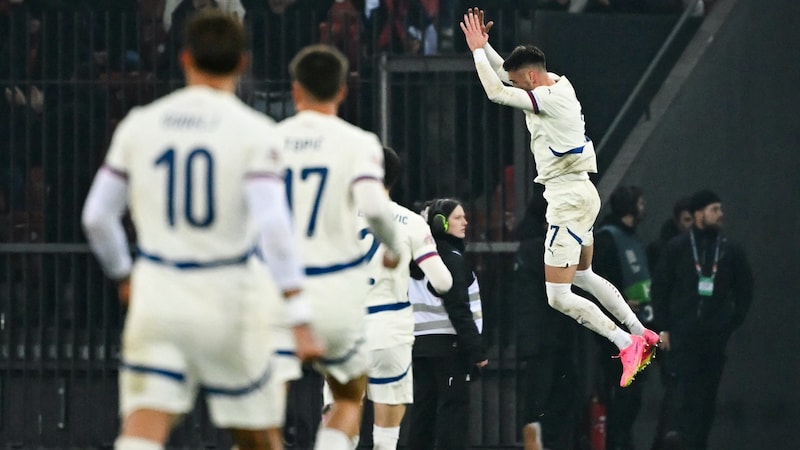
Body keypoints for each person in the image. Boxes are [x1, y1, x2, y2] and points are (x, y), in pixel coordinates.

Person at [80, 10, 322, 450]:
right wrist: (300, 315)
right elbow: (273, 226)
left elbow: (97, 217)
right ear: (243, 62)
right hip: (230, 296)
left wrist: (123, 276)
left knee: (143, 428)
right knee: (258, 437)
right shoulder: (255, 132)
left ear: (184, 58)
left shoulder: (141, 124)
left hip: (159, 290)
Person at [460, 8, 658, 387]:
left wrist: (473, 52)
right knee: (583, 274)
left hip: (567, 199)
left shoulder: (548, 98)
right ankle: (641, 331)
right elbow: (508, 76)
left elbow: (497, 91)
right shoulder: (558, 83)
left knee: (558, 296)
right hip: (581, 192)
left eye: (522, 83)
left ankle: (627, 343)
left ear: (532, 78)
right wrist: (486, 49)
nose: (519, 88)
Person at [276, 44, 401, 450]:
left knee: (263, 410)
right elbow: (373, 207)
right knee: (348, 397)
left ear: (296, 90)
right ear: (342, 91)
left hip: (278, 292)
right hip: (335, 293)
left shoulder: (269, 141)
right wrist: (394, 246)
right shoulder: (357, 142)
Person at [362, 146, 454, 450]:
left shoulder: (335, 216)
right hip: (389, 327)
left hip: (346, 326)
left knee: (341, 413)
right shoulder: (411, 221)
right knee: (386, 432)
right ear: (395, 178)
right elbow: (443, 281)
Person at [650, 189, 753, 450]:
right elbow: (660, 288)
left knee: (707, 401)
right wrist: (663, 328)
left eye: (720, 209)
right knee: (684, 400)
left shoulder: (730, 250)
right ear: (699, 214)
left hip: (713, 341)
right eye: (714, 210)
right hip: (683, 339)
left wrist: (729, 323)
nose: (720, 214)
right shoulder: (678, 248)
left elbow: (745, 289)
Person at [406, 198, 488, 450]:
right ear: (441, 223)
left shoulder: (416, 256)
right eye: (457, 217)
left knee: (423, 412)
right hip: (449, 346)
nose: (465, 222)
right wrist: (476, 349)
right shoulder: (451, 257)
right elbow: (458, 307)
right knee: (453, 412)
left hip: (420, 345)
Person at [513, 186, 580, 450]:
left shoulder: (531, 247)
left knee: (547, 398)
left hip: (546, 337)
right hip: (546, 338)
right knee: (547, 399)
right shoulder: (538, 249)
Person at [592, 185, 654, 450]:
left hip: (637, 331)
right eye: (640, 201)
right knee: (623, 395)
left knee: (633, 396)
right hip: (617, 335)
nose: (644, 206)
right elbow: (599, 283)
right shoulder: (608, 239)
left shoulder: (631, 238)